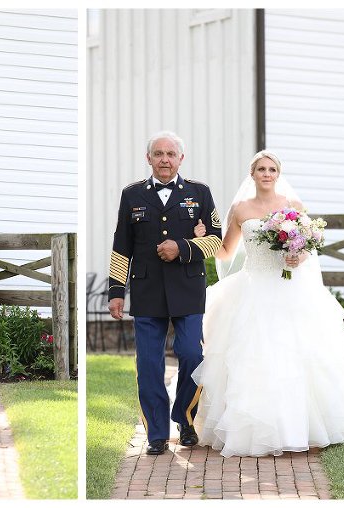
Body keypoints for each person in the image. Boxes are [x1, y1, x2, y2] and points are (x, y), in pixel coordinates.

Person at [190, 150, 344, 457]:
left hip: (289, 289)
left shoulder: (292, 206)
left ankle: (301, 427)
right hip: (252, 288)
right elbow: (226, 252)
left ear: (278, 174)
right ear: (252, 174)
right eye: (261, 169)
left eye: (272, 169)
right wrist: (201, 236)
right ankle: (254, 429)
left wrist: (298, 256)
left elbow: (307, 246)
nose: (266, 173)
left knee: (296, 356)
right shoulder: (240, 208)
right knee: (252, 357)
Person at [108, 131, 222, 455]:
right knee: (149, 365)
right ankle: (156, 433)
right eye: (158, 154)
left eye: (171, 154)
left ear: (181, 159)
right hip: (146, 291)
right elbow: (121, 248)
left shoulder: (199, 193)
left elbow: (215, 240)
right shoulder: (131, 195)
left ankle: (185, 419)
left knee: (192, 354)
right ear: (149, 158)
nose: (165, 160)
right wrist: (117, 291)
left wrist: (182, 247)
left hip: (187, 288)